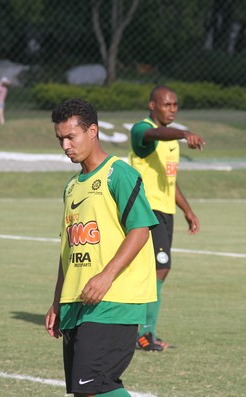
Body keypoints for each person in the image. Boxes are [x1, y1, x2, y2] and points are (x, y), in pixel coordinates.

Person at [45, 98, 159, 397]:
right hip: (77, 301)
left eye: (71, 136)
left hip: (112, 301)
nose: (65, 145)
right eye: (60, 139)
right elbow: (67, 250)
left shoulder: (117, 173)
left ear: (92, 131)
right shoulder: (72, 186)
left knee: (95, 387)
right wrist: (58, 300)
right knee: (87, 391)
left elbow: (140, 230)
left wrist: (106, 276)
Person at [129, 85, 205, 351]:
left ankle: (141, 331)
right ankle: (144, 333)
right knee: (160, 267)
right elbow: (155, 133)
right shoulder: (142, 130)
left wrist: (187, 210)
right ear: (152, 105)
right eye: (166, 105)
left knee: (155, 270)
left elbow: (170, 181)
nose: (172, 109)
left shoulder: (171, 141)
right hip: (146, 212)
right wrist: (184, 134)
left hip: (165, 212)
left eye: (175, 105)